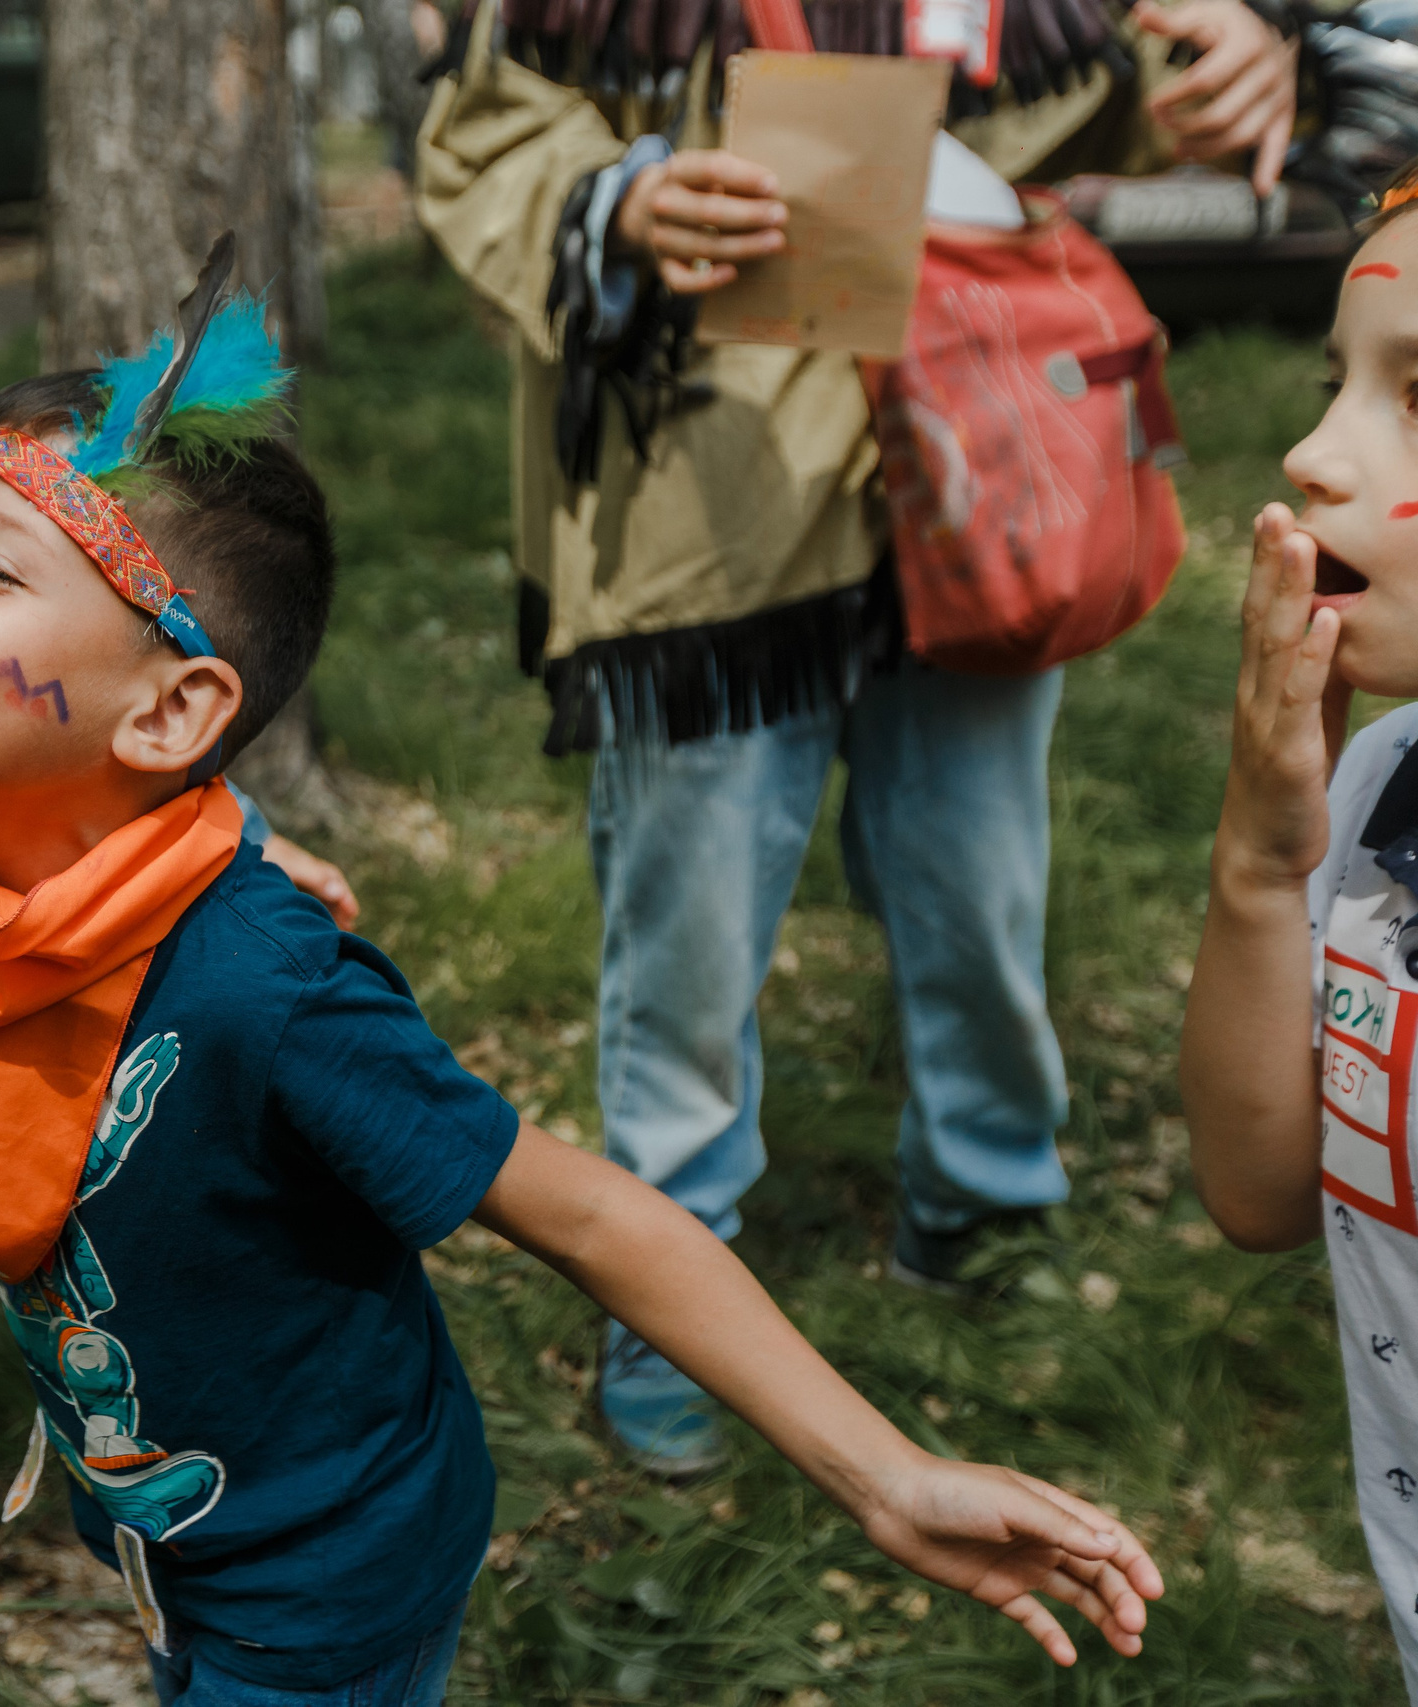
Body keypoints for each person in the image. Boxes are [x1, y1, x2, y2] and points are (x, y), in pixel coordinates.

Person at [0, 283, 1164, 1705]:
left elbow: (588, 1216)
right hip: (180, 1557)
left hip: (328, 1601)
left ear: (168, 715)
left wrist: (886, 1475)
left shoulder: (264, 988)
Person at [415, 0, 1304, 1473]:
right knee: (688, 937)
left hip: (979, 464)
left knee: (979, 887)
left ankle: (985, 1212)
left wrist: (1241, 59)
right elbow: (486, 130)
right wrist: (620, 201)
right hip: (708, 505)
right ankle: (670, 1296)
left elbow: (1125, 72)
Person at [1181, 165, 1418, 1697]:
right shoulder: (1385, 783)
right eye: (1339, 380)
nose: (1312, 450)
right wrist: (1265, 870)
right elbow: (1267, 1190)